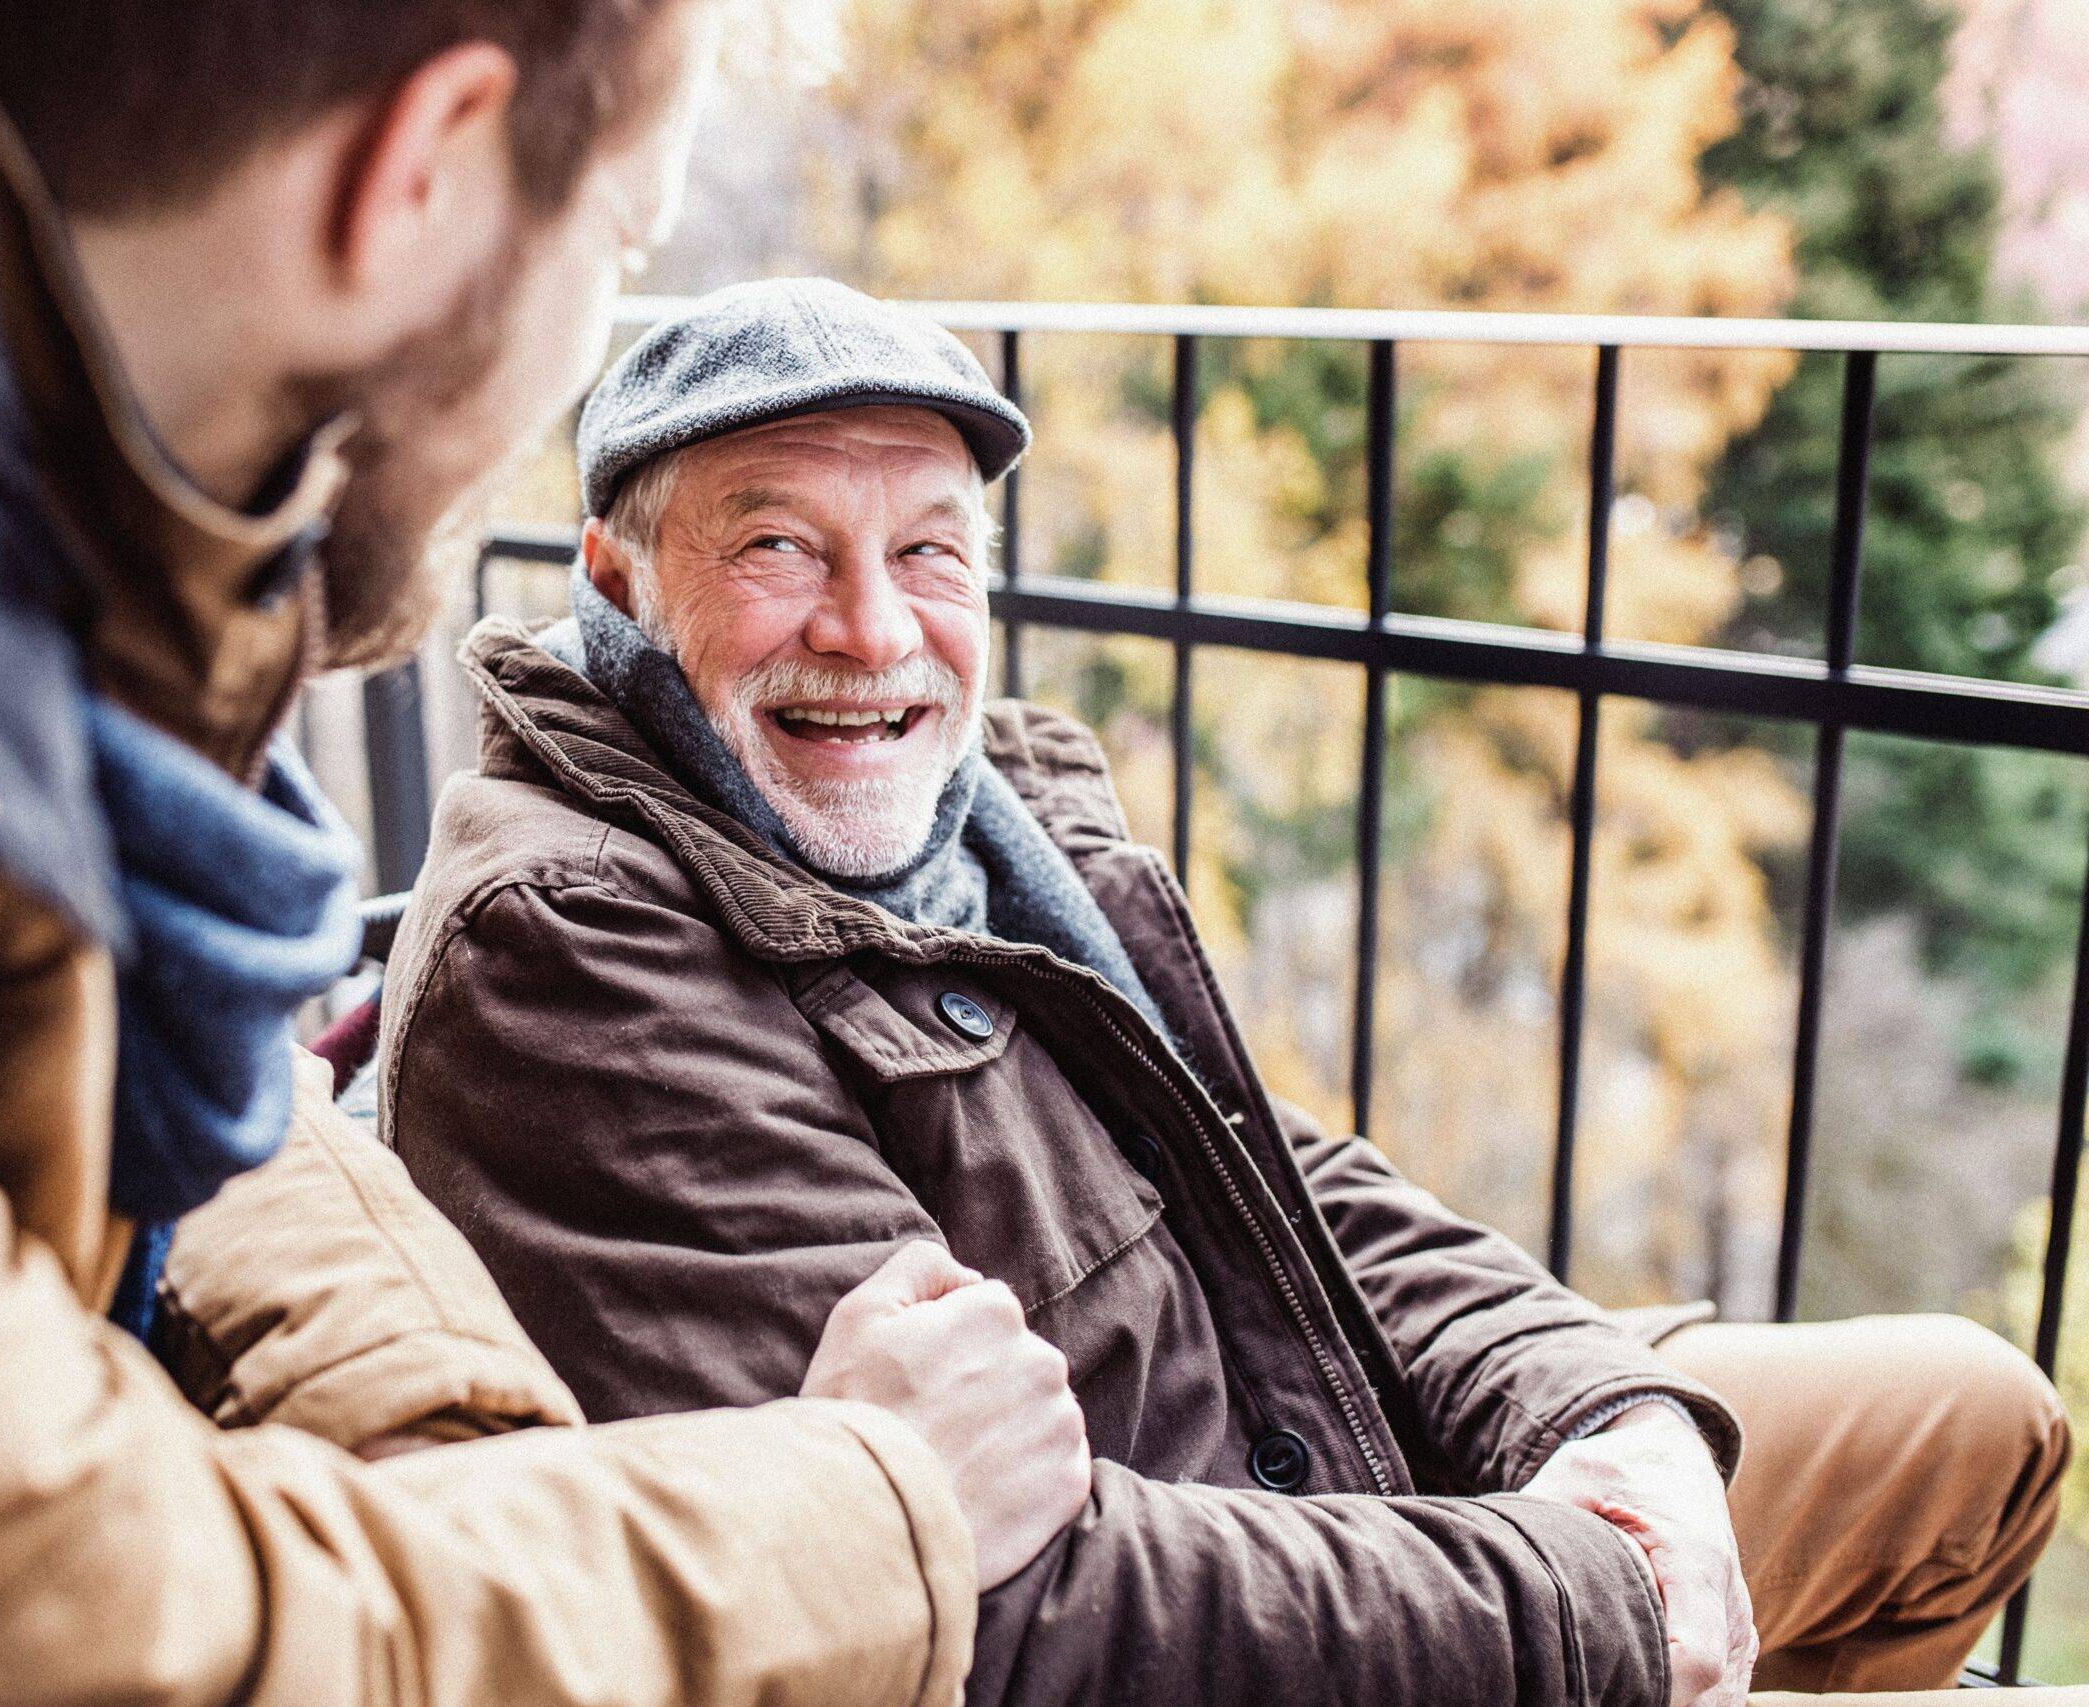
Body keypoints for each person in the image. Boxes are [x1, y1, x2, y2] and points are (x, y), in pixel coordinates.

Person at [0, 4, 1093, 1700]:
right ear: (416, 173)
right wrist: (875, 1507)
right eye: (622, 238)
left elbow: (186, 1096)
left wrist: (451, 1437)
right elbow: (78, 1635)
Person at [367, 278, 2079, 1707]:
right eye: (780, 550)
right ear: (616, 579)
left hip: (1316, 1436)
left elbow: (1269, 1168)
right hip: (1194, 1598)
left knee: (1970, 1418)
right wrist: (1581, 1599)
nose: (876, 631)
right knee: (1685, 1592)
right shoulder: (570, 946)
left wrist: (1596, 1414)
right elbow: (998, 1609)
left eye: (930, 552)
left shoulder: (983, 817)